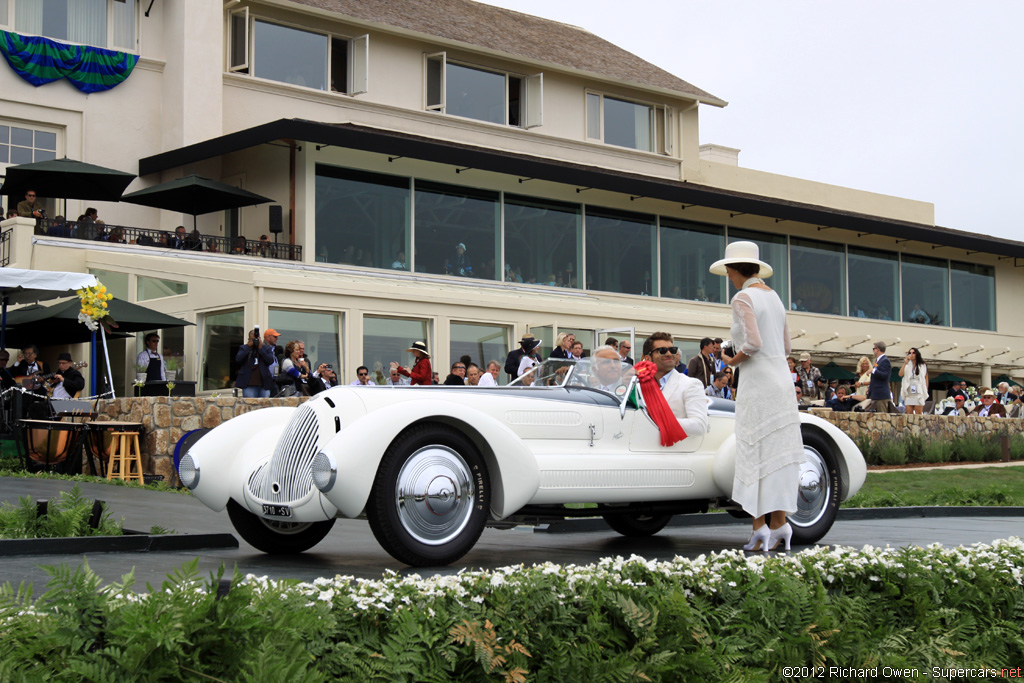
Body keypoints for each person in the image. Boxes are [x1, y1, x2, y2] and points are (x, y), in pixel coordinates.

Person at [711, 240, 804, 553]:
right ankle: (779, 525)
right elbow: (787, 347)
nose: (728, 276)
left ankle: (759, 527)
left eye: (728, 271)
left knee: (754, 451)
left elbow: (752, 343)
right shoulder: (774, 297)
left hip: (758, 381)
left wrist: (729, 361)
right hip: (780, 379)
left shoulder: (742, 297)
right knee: (775, 454)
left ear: (732, 270)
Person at [642, 332, 708, 435]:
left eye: (672, 350)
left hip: (672, 449)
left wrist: (659, 419)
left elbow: (699, 426)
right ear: (648, 358)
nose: (669, 354)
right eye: (662, 351)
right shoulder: (638, 384)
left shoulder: (691, 384)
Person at [235, 327, 280, 398]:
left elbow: (270, 360)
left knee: (264, 406)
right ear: (249, 339)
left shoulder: (266, 348)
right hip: (249, 384)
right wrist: (248, 347)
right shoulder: (244, 348)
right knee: (250, 406)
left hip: (264, 385)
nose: (255, 341)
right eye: (252, 339)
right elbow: (238, 359)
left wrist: (260, 348)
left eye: (256, 339)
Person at [898, 347, 929, 415]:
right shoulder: (907, 365)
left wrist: (925, 390)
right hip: (909, 390)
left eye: (913, 353)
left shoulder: (922, 365)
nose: (911, 354)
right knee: (909, 414)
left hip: (918, 390)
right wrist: (905, 363)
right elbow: (900, 374)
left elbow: (925, 378)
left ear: (917, 354)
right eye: (910, 353)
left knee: (918, 413)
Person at [867, 341, 895, 413]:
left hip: (881, 395)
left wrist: (873, 371)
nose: (873, 351)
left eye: (873, 349)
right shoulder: (878, 361)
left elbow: (885, 375)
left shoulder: (885, 361)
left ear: (878, 349)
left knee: (882, 417)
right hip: (876, 394)